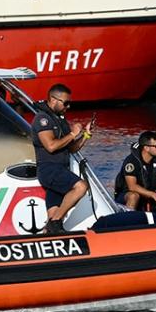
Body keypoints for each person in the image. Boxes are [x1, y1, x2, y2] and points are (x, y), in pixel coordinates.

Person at [33, 83, 93, 234]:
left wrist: (84, 135)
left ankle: (51, 230)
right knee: (81, 187)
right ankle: (54, 223)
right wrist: (72, 134)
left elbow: (71, 148)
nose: (68, 107)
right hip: (49, 169)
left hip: (60, 169)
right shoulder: (42, 119)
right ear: (53, 100)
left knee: (54, 213)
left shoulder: (60, 120)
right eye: (65, 103)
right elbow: (51, 146)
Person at [113, 131, 156, 211]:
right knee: (134, 196)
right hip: (126, 195)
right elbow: (132, 186)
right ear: (146, 148)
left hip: (149, 195)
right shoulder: (131, 161)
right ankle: (129, 219)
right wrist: (153, 195)